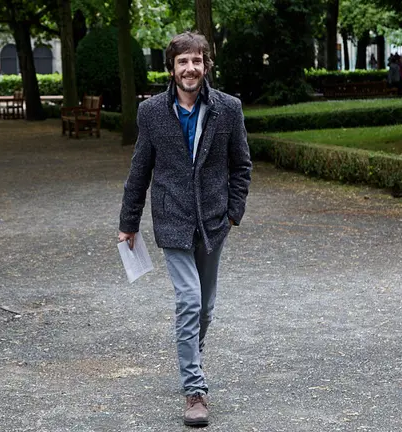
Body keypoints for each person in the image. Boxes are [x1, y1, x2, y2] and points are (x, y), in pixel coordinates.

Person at [118, 31, 251, 427]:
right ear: (171, 68)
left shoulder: (228, 109)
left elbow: (241, 165)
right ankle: (195, 390)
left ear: (206, 64)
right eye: (182, 62)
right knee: (190, 301)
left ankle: (191, 354)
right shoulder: (152, 112)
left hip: (213, 222)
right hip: (172, 220)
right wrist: (129, 222)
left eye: (196, 61)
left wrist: (232, 213)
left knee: (205, 308)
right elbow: (140, 169)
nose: (190, 68)